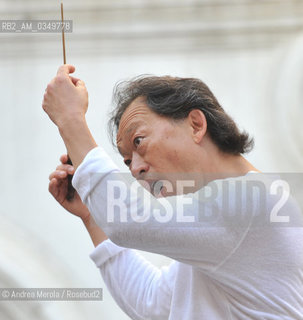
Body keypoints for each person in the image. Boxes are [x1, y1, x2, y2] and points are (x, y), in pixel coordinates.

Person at [43, 65, 303, 319]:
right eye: (126, 161)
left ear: (195, 125)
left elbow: (129, 220)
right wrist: (92, 216)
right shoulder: (229, 218)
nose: (134, 169)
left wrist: (71, 119)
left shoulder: (249, 200)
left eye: (138, 141)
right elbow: (152, 302)